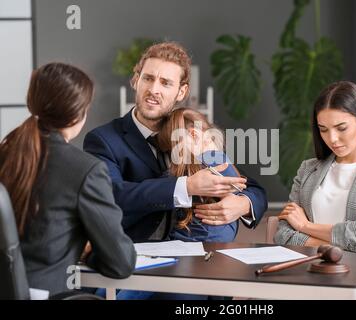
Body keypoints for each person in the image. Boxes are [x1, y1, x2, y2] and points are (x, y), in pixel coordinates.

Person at [83, 41, 267, 244]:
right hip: (136, 255)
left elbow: (252, 188)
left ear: (181, 92)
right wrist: (187, 186)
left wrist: (243, 204)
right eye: (148, 78)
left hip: (199, 255)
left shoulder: (188, 131)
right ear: (136, 81)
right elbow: (112, 195)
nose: (154, 89)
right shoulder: (103, 139)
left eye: (166, 83)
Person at [0, 62, 136, 296]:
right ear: (78, 114)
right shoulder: (86, 170)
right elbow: (121, 263)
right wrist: (90, 253)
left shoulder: (6, 151)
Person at [274, 81, 356, 300]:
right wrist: (339, 245)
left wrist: (306, 226)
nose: (332, 139)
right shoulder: (308, 170)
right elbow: (283, 234)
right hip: (310, 284)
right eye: (323, 130)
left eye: (341, 128)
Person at [157, 107, 242, 242]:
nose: (173, 157)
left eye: (175, 148)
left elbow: (162, 188)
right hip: (217, 239)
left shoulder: (208, 161)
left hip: (195, 240)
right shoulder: (222, 160)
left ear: (194, 135)